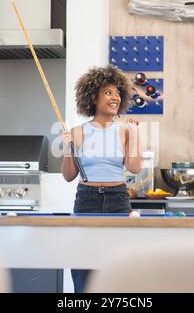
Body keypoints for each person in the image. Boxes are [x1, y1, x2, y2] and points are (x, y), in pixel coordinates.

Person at [61, 65, 143, 293]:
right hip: (87, 200)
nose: (114, 96)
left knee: (120, 265)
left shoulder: (126, 130)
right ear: (93, 98)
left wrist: (136, 137)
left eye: (117, 93)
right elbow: (68, 176)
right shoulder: (78, 132)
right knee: (84, 267)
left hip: (118, 199)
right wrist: (68, 148)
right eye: (108, 92)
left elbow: (135, 168)